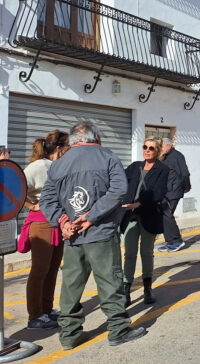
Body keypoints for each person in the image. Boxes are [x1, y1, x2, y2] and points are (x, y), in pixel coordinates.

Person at [39, 121, 146, 349]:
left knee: (71, 285)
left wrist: (63, 221)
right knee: (109, 281)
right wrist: (92, 216)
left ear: (72, 140)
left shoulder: (58, 164)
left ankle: (69, 335)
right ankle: (118, 329)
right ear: (95, 137)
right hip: (101, 231)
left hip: (73, 236)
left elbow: (46, 200)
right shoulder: (107, 156)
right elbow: (119, 190)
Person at [22, 130, 69, 329]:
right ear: (59, 148)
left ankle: (47, 311)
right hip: (40, 222)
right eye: (67, 145)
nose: (69, 149)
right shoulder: (39, 166)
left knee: (51, 269)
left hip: (55, 221)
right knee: (40, 270)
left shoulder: (56, 165)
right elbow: (15, 188)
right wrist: (32, 205)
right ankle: (35, 316)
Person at [121, 136, 169, 306]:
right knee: (129, 253)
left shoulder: (163, 169)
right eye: (145, 147)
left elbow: (159, 192)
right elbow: (120, 183)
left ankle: (147, 290)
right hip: (130, 215)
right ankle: (126, 292)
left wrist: (139, 203)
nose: (147, 150)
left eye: (151, 148)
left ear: (158, 151)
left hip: (148, 214)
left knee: (146, 253)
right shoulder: (135, 167)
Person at [157, 137, 190, 253]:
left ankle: (176, 241)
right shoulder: (165, 157)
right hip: (166, 191)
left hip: (174, 191)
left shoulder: (177, 156)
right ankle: (170, 242)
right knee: (164, 215)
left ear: (168, 145)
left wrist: (187, 187)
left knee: (167, 214)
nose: (160, 148)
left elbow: (185, 173)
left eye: (162, 146)